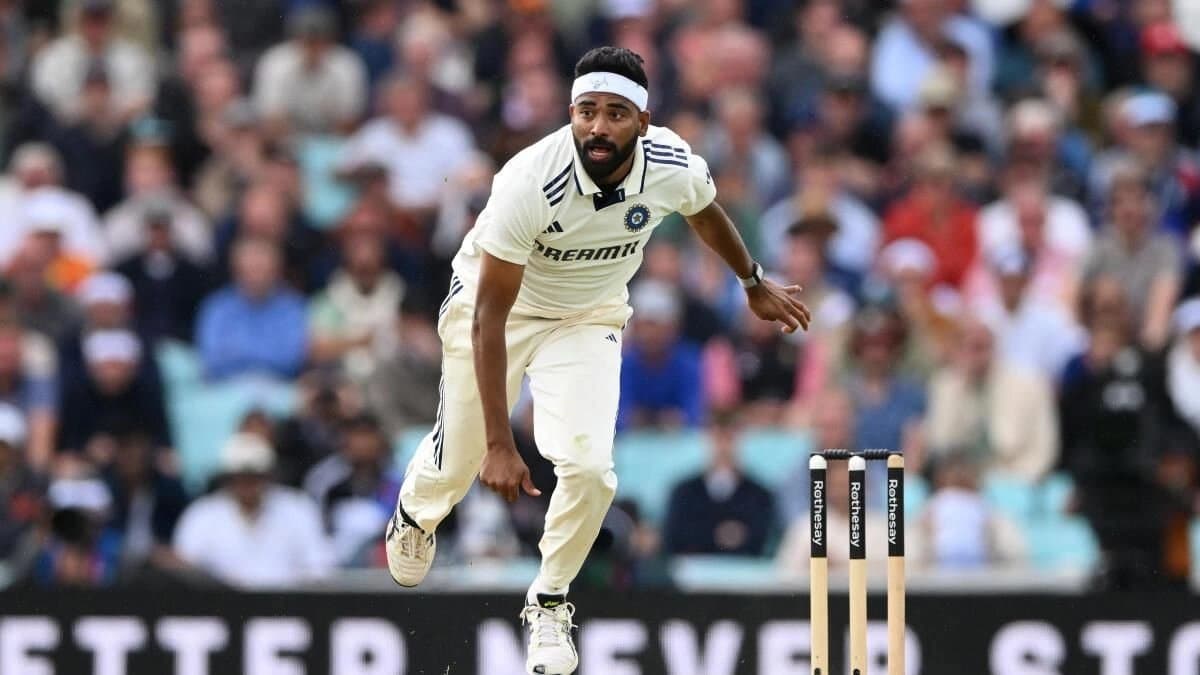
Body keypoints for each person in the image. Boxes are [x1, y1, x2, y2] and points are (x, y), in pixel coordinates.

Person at [383, 47, 810, 675]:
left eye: (615, 114)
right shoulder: (529, 181)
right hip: (499, 312)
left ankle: (550, 601)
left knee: (589, 468)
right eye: (586, 112)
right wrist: (502, 443)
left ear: (642, 119)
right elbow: (488, 319)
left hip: (588, 318)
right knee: (464, 458)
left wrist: (751, 280)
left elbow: (704, 210)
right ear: (571, 114)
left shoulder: (669, 160)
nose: (598, 128)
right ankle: (416, 514)